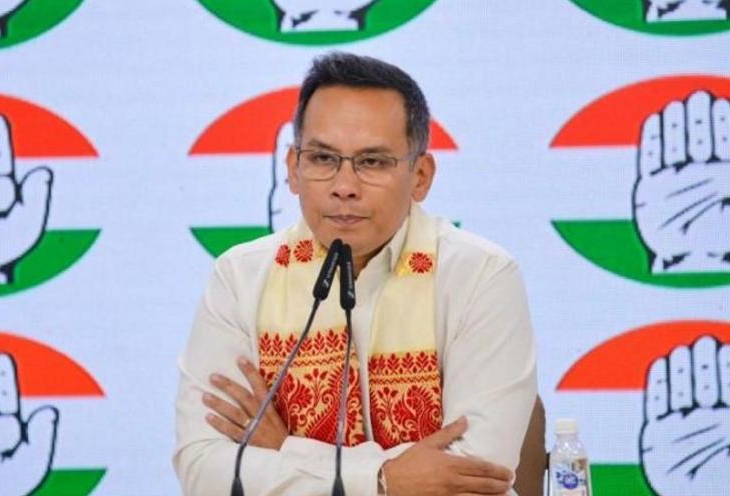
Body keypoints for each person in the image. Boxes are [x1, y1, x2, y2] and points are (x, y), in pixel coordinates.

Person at [173, 52, 537, 496]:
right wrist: (384, 480)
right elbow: (204, 471)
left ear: (421, 176)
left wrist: (286, 450)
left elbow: (473, 477)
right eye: (323, 158)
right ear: (293, 169)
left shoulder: (481, 276)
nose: (344, 186)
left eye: (372, 162)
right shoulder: (240, 278)